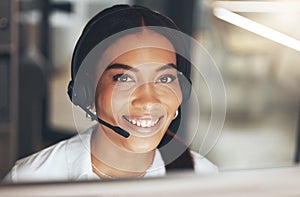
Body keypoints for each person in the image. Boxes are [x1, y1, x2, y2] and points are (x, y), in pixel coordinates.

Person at [3, 4, 217, 183]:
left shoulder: (204, 178)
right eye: (124, 78)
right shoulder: (32, 180)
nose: (148, 101)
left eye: (165, 79)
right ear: (85, 92)